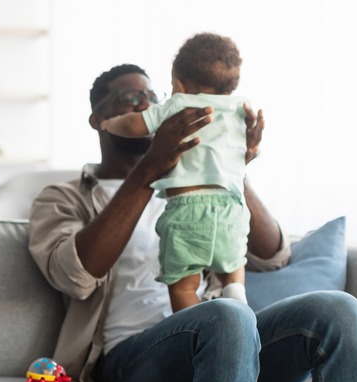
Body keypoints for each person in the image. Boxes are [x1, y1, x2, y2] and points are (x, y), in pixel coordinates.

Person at [28, 63, 357, 382]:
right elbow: (74, 276)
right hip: (131, 358)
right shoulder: (63, 198)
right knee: (227, 314)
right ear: (99, 120)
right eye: (130, 97)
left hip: (228, 345)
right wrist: (148, 170)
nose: (147, 104)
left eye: (153, 96)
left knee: (340, 310)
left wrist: (232, 168)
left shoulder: (197, 180)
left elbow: (273, 257)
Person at [101, 33, 251, 311]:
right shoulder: (240, 110)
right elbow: (243, 150)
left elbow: (134, 125)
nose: (147, 104)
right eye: (130, 96)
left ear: (179, 84)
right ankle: (235, 292)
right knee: (233, 264)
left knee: (183, 284)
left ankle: (196, 324)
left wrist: (111, 124)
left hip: (187, 209)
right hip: (232, 209)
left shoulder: (180, 105)